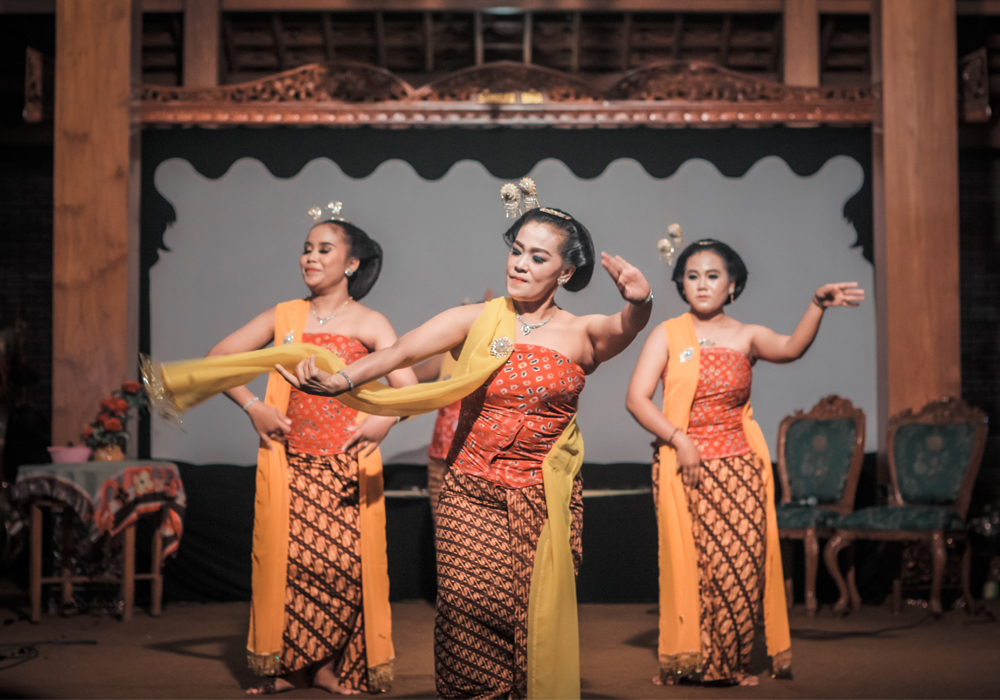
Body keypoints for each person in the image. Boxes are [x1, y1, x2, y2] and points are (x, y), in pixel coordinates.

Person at [275, 187, 654, 700]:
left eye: (537, 257)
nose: (519, 264)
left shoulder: (581, 332)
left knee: (525, 611)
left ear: (564, 273)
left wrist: (640, 302)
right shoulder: (479, 319)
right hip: (469, 490)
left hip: (541, 499)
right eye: (516, 249)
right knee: (464, 607)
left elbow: (622, 327)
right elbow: (402, 350)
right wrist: (341, 382)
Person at [625, 238, 864, 687]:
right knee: (692, 568)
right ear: (681, 283)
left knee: (740, 568)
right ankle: (688, 660)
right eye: (692, 275)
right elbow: (636, 400)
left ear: (732, 285)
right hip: (683, 467)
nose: (701, 284)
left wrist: (817, 305)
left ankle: (729, 664)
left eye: (712, 275)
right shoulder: (668, 334)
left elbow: (792, 348)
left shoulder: (747, 335)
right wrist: (680, 440)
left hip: (741, 470)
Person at [205, 202, 415, 695]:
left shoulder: (370, 322)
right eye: (306, 249)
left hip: (348, 468)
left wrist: (383, 421)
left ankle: (328, 666)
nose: (310, 257)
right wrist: (253, 405)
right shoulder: (285, 317)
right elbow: (218, 359)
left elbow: (406, 387)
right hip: (291, 464)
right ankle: (289, 667)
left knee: (342, 567)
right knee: (292, 565)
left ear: (351, 264)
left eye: (324, 248)